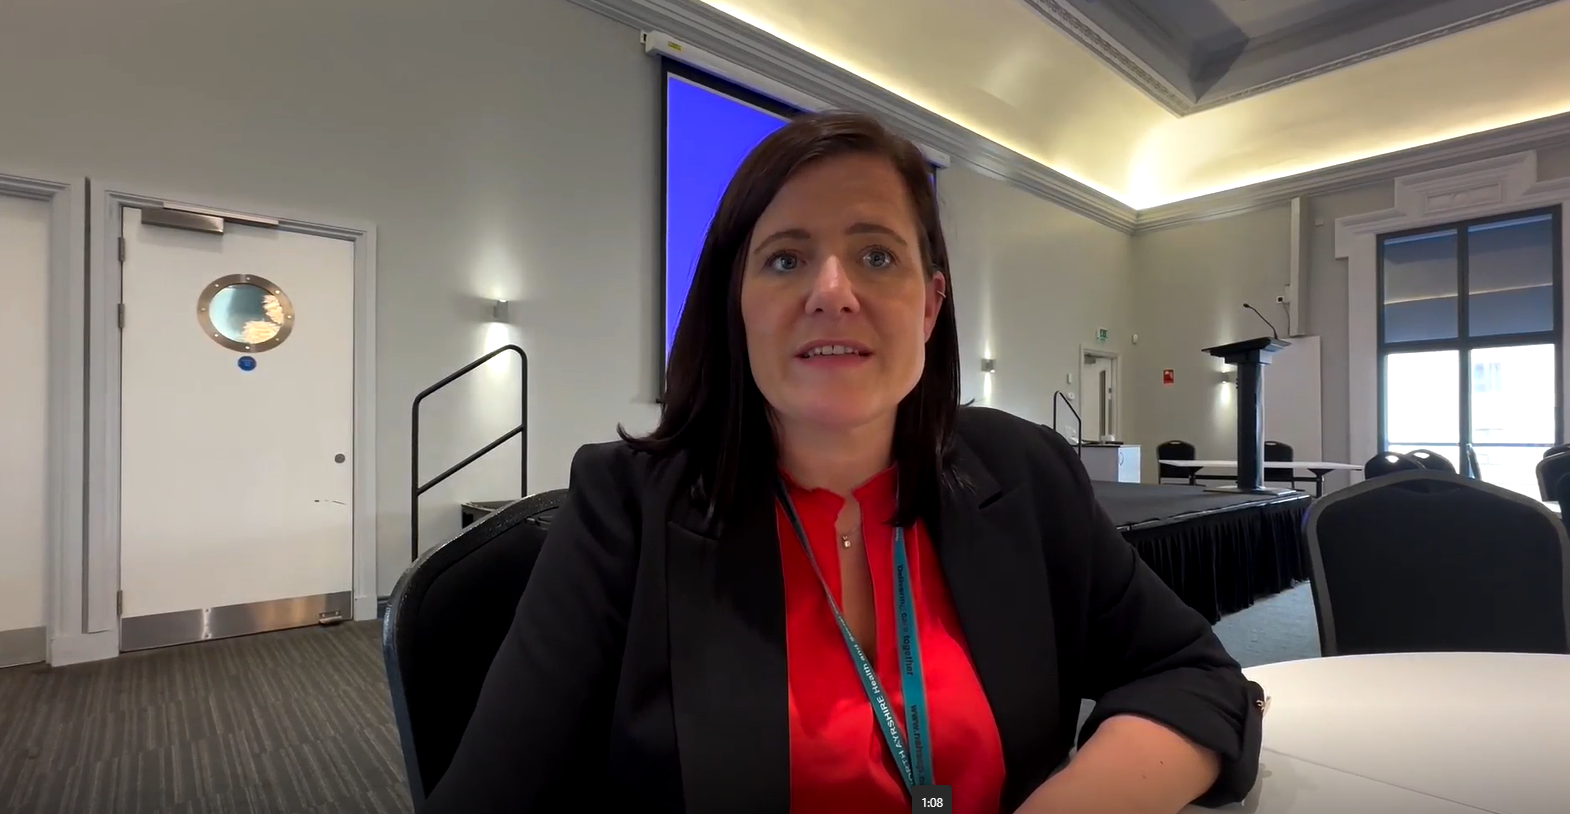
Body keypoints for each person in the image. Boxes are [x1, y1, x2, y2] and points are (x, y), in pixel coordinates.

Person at [423, 111, 1264, 814]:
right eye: (785, 259)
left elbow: (1192, 674)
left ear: (930, 305)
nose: (832, 289)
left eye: (876, 255)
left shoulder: (1027, 472)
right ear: (737, 305)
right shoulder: (625, 507)